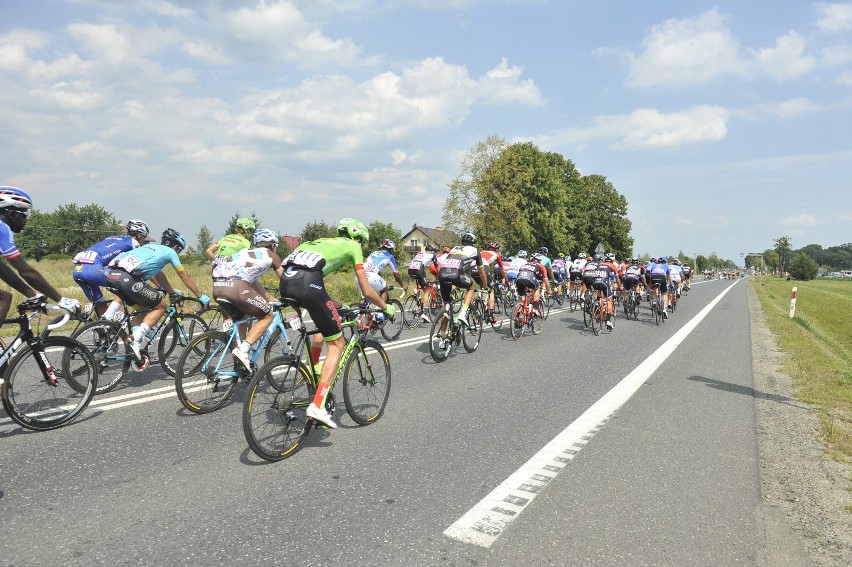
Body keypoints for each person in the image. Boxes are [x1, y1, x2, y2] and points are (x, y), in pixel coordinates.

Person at [279, 218, 394, 429]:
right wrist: (386, 308)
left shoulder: (317, 242)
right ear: (357, 237)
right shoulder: (353, 246)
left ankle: (314, 367)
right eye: (361, 241)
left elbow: (298, 273)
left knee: (324, 320)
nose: (361, 245)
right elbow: (367, 290)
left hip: (286, 283)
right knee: (338, 344)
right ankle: (317, 404)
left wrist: (338, 304)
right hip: (308, 285)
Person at [107, 228, 210, 358]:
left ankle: (129, 340)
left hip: (112, 275)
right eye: (180, 250)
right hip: (129, 279)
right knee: (162, 306)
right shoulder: (171, 252)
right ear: (176, 246)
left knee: (143, 309)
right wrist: (199, 295)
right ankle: (134, 340)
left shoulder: (150, 246)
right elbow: (184, 276)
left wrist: (170, 291)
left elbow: (158, 273)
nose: (178, 252)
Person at [0, 186, 80, 322]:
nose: (26, 220)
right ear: (12, 214)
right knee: (4, 299)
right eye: (24, 214)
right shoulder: (2, 227)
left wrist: (31, 294)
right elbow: (26, 271)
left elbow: (2, 269)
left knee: (4, 297)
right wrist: (61, 300)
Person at [211, 228, 284, 370]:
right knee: (267, 316)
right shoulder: (270, 255)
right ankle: (243, 350)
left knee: (244, 316)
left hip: (218, 287)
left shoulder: (244, 252)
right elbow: (286, 279)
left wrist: (268, 297)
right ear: (273, 245)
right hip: (236, 288)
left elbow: (252, 281)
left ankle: (241, 361)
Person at [72, 220, 150, 319]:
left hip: (78, 270)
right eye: (144, 237)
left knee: (101, 306)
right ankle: (118, 313)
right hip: (92, 270)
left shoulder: (113, 238)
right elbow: (141, 264)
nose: (143, 240)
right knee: (126, 281)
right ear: (139, 235)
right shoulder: (133, 243)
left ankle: (92, 328)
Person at [437, 232, 488, 327]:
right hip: (456, 273)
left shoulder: (455, 248)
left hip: (442, 273)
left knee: (446, 307)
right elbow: (482, 272)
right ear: (473, 242)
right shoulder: (475, 251)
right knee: (471, 287)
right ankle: (462, 314)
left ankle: (442, 337)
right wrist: (485, 286)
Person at [359, 238, 408, 304]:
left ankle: (363, 311)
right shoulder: (390, 257)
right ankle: (380, 311)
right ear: (390, 249)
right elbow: (396, 274)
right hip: (371, 276)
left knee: (368, 299)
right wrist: (402, 285)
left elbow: (372, 268)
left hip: (359, 275)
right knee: (384, 290)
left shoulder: (373, 253)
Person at [478, 241, 509, 324]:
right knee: (491, 291)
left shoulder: (481, 252)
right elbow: (502, 270)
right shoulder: (496, 254)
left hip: (473, 269)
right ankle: (491, 315)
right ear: (496, 249)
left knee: (482, 287)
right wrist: (506, 280)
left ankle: (477, 302)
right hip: (483, 269)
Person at [407, 244, 439, 323]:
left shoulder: (420, 253)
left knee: (421, 284)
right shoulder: (433, 255)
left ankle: (417, 297)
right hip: (419, 270)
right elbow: (437, 267)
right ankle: (424, 313)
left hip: (410, 270)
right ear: (433, 251)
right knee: (427, 290)